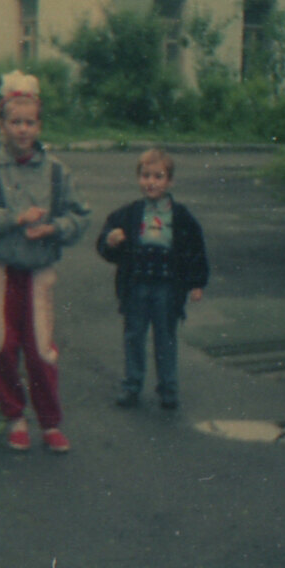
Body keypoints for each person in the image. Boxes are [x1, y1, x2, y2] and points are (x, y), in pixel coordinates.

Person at [0, 71, 91, 453]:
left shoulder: (57, 172)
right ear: (2, 125)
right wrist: (13, 218)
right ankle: (14, 416)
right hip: (0, 270)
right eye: (15, 122)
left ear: (39, 125)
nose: (22, 130)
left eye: (30, 122)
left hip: (38, 271)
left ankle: (50, 423)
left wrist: (53, 228)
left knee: (40, 349)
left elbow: (80, 215)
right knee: (1, 344)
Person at [96, 148, 209, 410]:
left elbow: (195, 249)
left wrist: (197, 282)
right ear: (138, 179)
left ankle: (168, 389)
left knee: (165, 338)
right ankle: (132, 386)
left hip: (168, 289)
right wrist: (110, 240)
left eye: (158, 177)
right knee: (134, 336)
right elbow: (106, 240)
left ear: (170, 182)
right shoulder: (128, 214)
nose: (151, 182)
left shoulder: (181, 216)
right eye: (146, 176)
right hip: (136, 286)